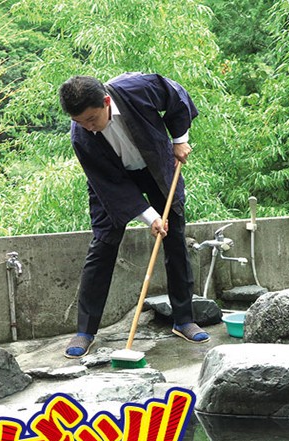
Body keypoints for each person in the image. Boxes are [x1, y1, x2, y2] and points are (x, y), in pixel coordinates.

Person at [59, 73, 209, 358]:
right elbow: (112, 187)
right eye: (80, 121)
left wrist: (179, 139)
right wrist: (150, 217)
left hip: (155, 167)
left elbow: (176, 97)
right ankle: (85, 330)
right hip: (112, 181)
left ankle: (183, 320)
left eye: (91, 119)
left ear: (106, 102)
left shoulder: (138, 89)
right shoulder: (81, 135)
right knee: (103, 245)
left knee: (175, 238)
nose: (88, 127)